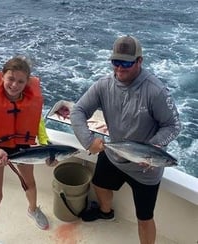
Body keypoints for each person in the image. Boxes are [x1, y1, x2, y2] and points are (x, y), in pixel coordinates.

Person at [70, 35, 181, 244]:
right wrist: (88, 140)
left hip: (145, 167)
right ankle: (105, 212)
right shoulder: (103, 85)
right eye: (116, 62)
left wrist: (154, 147)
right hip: (115, 153)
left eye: (126, 63)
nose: (119, 68)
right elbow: (78, 111)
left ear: (140, 61)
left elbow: (174, 125)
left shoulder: (155, 91)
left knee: (145, 218)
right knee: (99, 185)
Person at [0, 56, 50, 239]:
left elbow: (40, 128)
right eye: (11, 79)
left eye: (20, 81)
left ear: (26, 83)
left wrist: (47, 148)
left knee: (29, 183)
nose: (14, 85)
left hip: (22, 146)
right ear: (2, 77)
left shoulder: (31, 101)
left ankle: (33, 210)